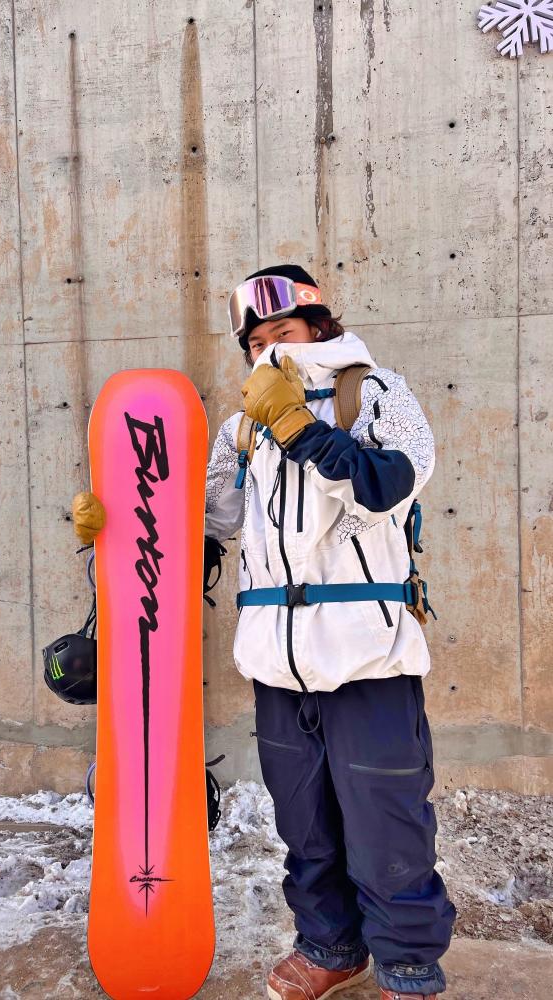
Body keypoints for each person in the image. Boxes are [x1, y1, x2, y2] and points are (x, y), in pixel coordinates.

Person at [72, 263, 456, 1000]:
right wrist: (118, 523)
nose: (268, 350)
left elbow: (393, 483)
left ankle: (408, 963)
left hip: (364, 658)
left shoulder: (370, 392)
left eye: (282, 332)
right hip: (277, 666)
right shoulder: (241, 428)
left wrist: (302, 428)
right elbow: (202, 524)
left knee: (387, 825)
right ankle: (331, 946)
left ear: (318, 327)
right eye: (254, 341)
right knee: (305, 828)